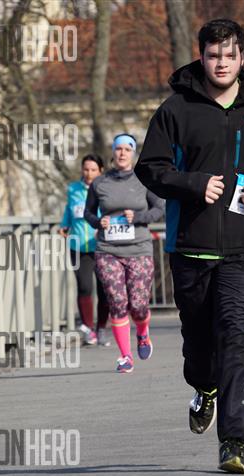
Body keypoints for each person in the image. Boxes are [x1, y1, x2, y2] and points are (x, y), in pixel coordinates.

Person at [135, 19, 244, 473]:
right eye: (214, 55)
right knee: (199, 346)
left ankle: (235, 441)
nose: (222, 63)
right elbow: (149, 168)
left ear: (242, 58)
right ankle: (204, 387)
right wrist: (193, 184)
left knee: (237, 336)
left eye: (230, 55)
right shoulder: (176, 110)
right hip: (191, 248)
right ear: (202, 56)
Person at [85, 134, 164, 373]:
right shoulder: (100, 183)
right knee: (117, 302)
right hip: (108, 251)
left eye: (127, 149)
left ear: (133, 153)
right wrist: (99, 222)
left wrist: (138, 217)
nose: (122, 153)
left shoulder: (143, 180)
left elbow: (159, 208)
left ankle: (142, 332)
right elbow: (88, 213)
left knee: (138, 305)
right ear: (113, 152)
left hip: (139, 250)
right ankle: (125, 356)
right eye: (118, 149)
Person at [60, 154, 110, 346]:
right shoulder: (73, 189)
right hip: (78, 245)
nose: (89, 173)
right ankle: (89, 330)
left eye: (93, 170)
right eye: (86, 169)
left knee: (104, 289)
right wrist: (64, 225)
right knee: (84, 287)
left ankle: (101, 328)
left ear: (101, 171)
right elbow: (69, 209)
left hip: (102, 245)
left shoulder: (106, 188)